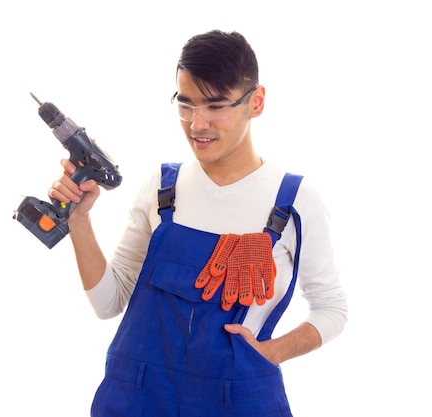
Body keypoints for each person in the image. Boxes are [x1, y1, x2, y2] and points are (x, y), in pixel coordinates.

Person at [49, 29, 348, 417]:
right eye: (186, 104)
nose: (197, 124)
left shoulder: (293, 203)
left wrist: (269, 353)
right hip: (138, 399)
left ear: (255, 102)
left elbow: (332, 307)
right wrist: (79, 221)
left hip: (236, 401)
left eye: (215, 106)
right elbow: (108, 303)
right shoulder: (162, 188)